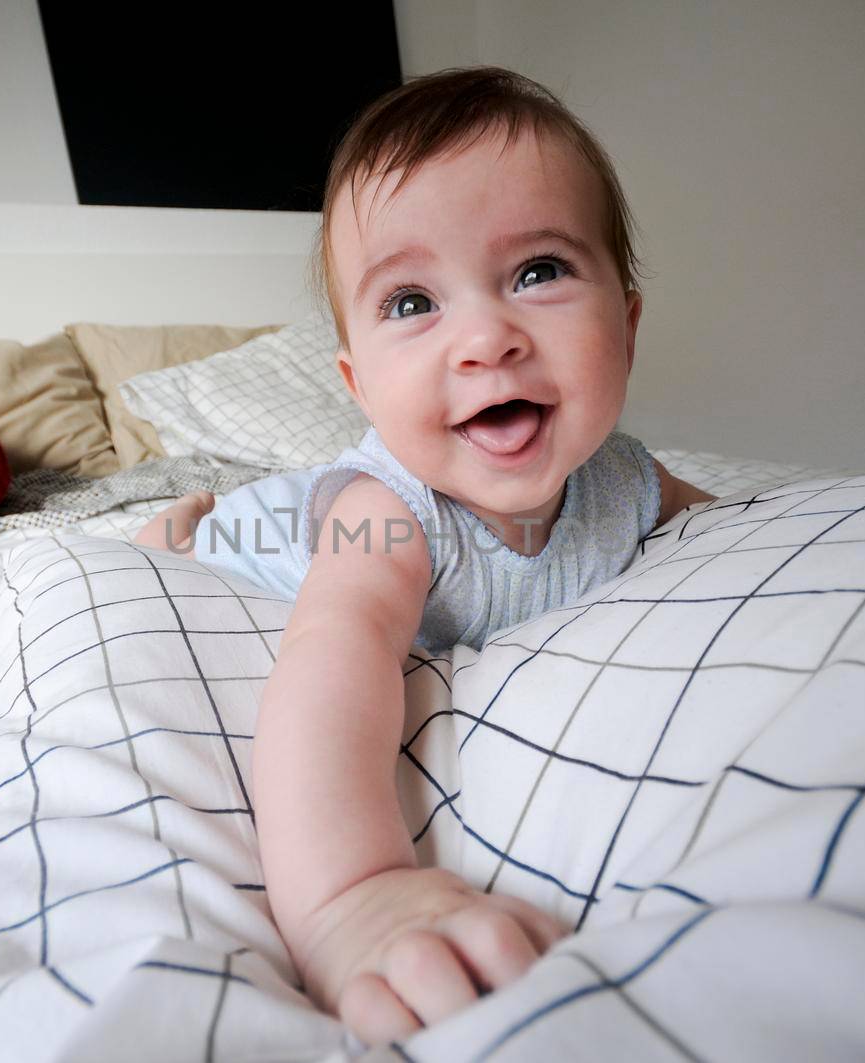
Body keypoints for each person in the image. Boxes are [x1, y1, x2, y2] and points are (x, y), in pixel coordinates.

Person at [134, 67, 715, 1045]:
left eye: (538, 271)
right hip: (277, 537)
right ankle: (180, 522)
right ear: (360, 386)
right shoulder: (388, 519)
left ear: (627, 317)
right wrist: (353, 896)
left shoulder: (629, 480)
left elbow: (739, 527)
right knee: (188, 543)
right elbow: (332, 666)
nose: (487, 337)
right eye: (412, 301)